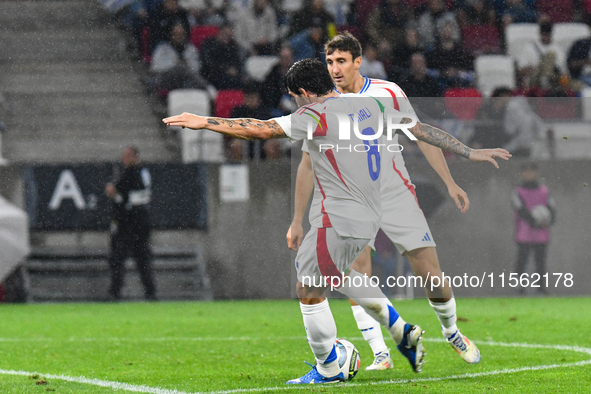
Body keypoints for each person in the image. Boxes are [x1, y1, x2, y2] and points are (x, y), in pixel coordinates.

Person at [163, 58, 509, 383]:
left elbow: (262, 130)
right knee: (328, 275)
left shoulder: (314, 114)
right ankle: (396, 329)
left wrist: (206, 121)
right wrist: (468, 151)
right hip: (371, 210)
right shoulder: (373, 105)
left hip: (343, 215)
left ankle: (331, 366)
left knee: (310, 288)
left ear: (303, 93)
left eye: (295, 96)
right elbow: (420, 130)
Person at [287, 33, 495, 371]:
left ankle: (452, 331)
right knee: (356, 272)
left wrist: (449, 181)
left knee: (430, 275)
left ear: (358, 61)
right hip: (349, 198)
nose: (335, 68)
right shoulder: (323, 102)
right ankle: (381, 353)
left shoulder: (388, 92)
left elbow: (420, 134)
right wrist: (297, 220)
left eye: (341, 61)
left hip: (394, 193)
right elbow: (308, 163)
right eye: (329, 62)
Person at [105, 146, 156, 301]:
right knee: (143, 259)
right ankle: (150, 292)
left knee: (119, 258)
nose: (124, 160)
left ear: (134, 157)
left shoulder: (131, 173)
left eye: (126, 156)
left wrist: (113, 192)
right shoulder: (144, 173)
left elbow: (118, 192)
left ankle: (115, 292)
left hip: (128, 223)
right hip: (142, 222)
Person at [512, 163, 556, 295]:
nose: (529, 174)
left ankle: (541, 289)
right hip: (524, 233)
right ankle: (520, 289)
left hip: (541, 234)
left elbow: (552, 209)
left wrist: (549, 219)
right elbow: (520, 209)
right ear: (522, 173)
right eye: (526, 172)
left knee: (540, 263)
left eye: (531, 171)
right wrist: (534, 220)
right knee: (522, 262)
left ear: (536, 173)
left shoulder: (544, 191)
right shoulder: (518, 191)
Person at [150, 22, 210, 91]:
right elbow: (155, 67)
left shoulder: (191, 48)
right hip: (167, 78)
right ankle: (207, 87)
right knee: (181, 68)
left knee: (188, 83)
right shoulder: (163, 48)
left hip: (186, 79)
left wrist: (188, 64)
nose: (179, 37)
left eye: (181, 34)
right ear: (171, 35)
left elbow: (197, 67)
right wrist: (174, 64)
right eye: (176, 34)